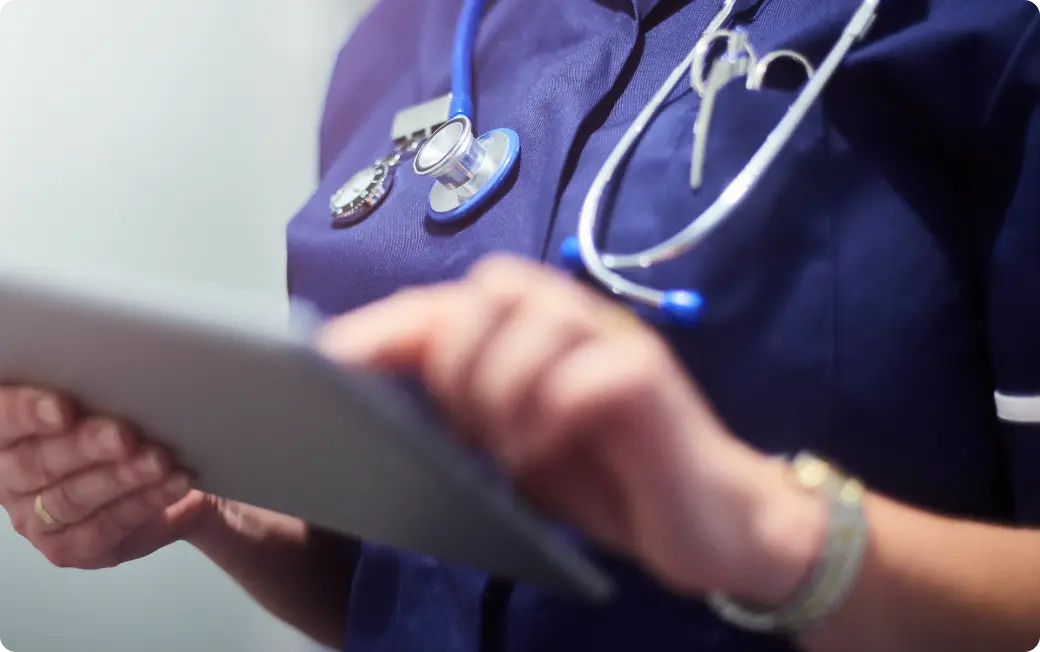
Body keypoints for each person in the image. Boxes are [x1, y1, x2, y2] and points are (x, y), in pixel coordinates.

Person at [2, 0, 1039, 650]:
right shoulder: (398, 37)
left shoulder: (980, 29)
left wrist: (770, 534)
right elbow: (405, 591)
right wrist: (210, 511)